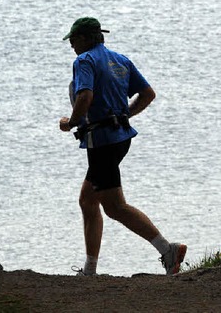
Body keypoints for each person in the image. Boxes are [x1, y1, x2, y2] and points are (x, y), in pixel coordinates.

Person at [59, 17, 186, 276]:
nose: (71, 44)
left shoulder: (84, 61)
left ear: (85, 38)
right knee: (87, 200)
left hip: (102, 142)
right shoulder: (121, 60)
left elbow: (85, 95)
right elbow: (148, 94)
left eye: (73, 39)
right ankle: (90, 269)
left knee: (114, 206)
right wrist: (125, 114)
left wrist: (70, 122)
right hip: (120, 138)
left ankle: (167, 249)